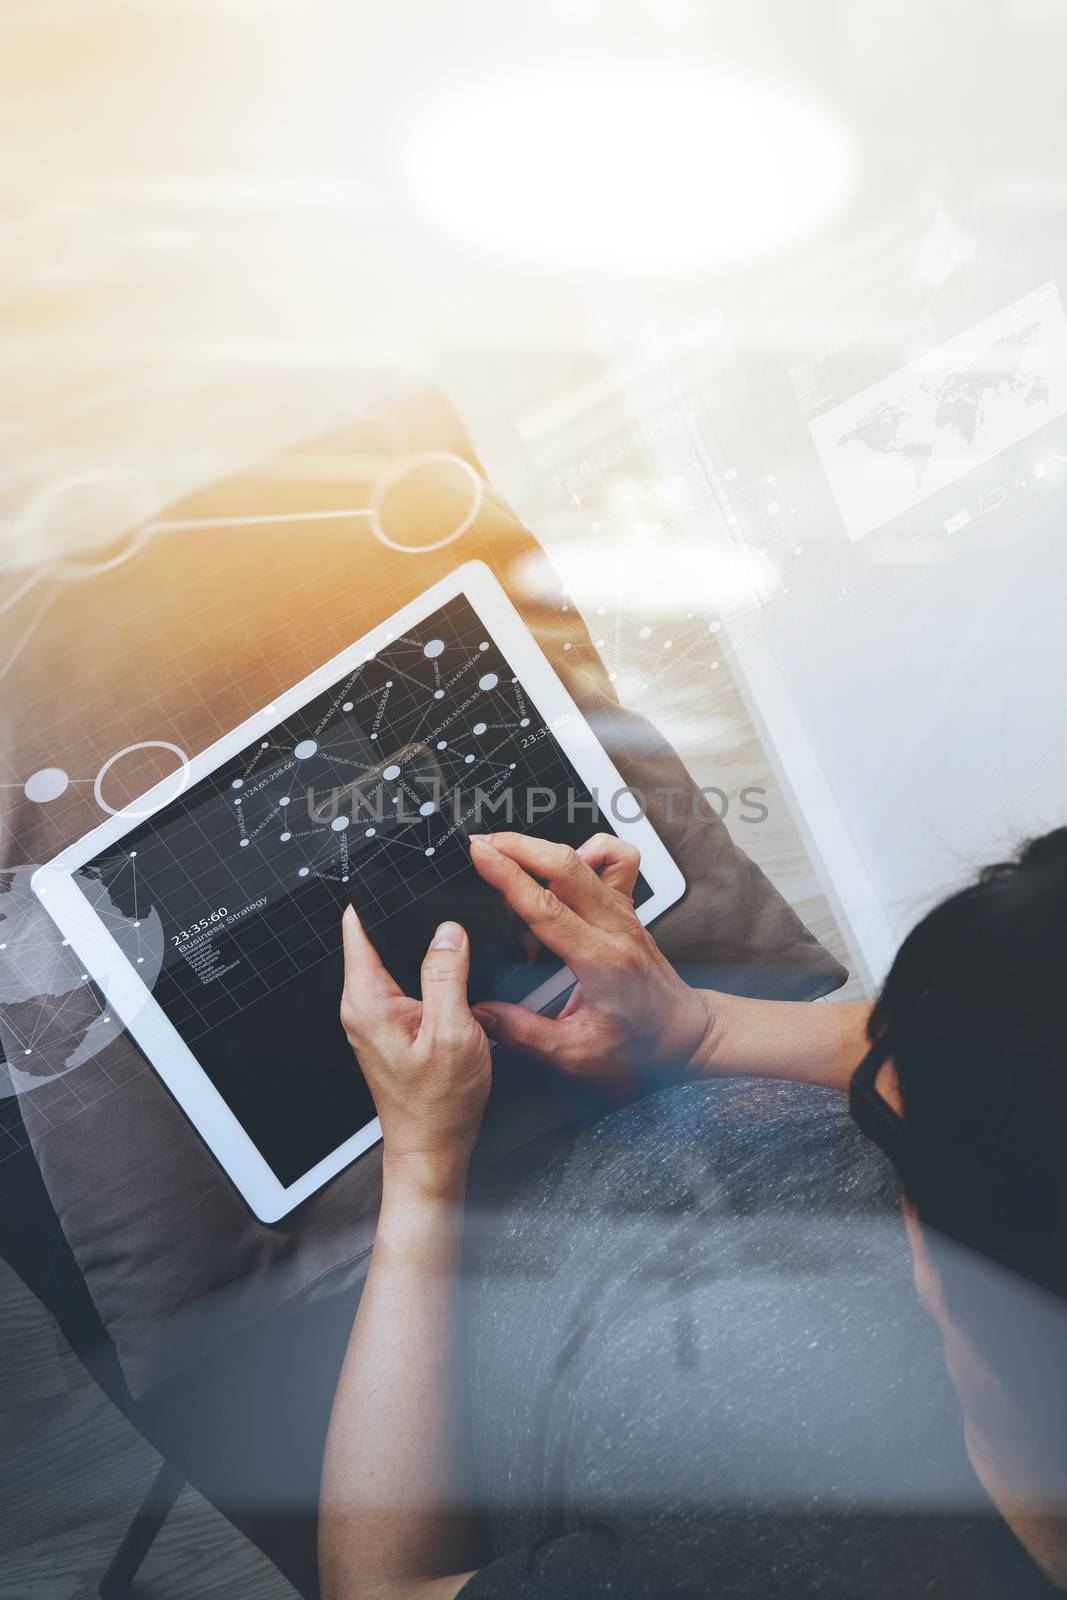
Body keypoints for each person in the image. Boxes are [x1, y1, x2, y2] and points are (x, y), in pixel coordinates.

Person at [318, 828, 1067, 1599]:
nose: (883, 1067)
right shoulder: (1022, 1222)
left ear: (961, 1283)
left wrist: (422, 1166)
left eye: (887, 1103)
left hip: (446, 1313)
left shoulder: (793, 1554)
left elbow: (375, 1591)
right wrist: (704, 1029)